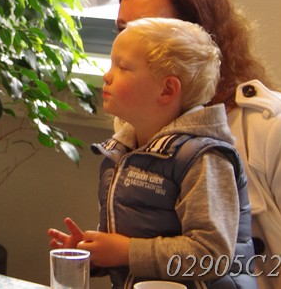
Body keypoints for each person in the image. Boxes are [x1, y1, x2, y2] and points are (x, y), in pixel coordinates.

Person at [114, 0, 281, 289]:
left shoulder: (274, 126)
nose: (126, 43)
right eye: (122, 30)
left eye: (148, 30)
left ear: (199, 39)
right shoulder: (132, 127)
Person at [49, 17, 256, 289]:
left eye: (122, 67)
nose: (107, 76)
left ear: (167, 89)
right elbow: (134, 243)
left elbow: (211, 255)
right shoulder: (122, 154)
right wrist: (96, 252)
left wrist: (126, 251)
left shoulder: (203, 159)